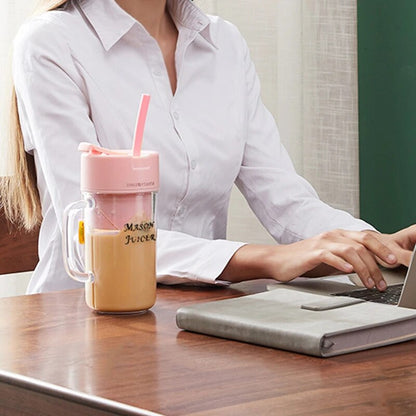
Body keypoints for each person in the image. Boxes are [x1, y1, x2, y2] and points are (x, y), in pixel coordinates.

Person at [1, 0, 415, 294]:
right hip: (80, 326)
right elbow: (92, 234)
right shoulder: (51, 43)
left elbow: (286, 200)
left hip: (196, 326)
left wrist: (379, 247)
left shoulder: (224, 43)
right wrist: (266, 259)